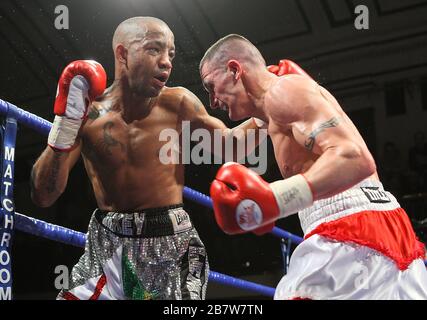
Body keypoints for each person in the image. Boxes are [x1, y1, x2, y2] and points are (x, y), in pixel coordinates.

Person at [30, 18, 262, 300]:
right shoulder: (88, 116)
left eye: (171, 54)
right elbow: (44, 195)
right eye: (154, 50)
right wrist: (65, 124)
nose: (166, 62)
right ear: (123, 54)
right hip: (108, 246)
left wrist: (267, 104)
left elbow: (232, 147)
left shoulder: (178, 103)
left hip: (172, 246)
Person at [200, 34, 427, 299]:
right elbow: (232, 147)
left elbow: (355, 158)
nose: (212, 101)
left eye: (210, 86)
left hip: (351, 227)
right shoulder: (270, 109)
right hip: (371, 224)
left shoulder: (282, 92)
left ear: (234, 70)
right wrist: (174, 114)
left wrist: (276, 199)